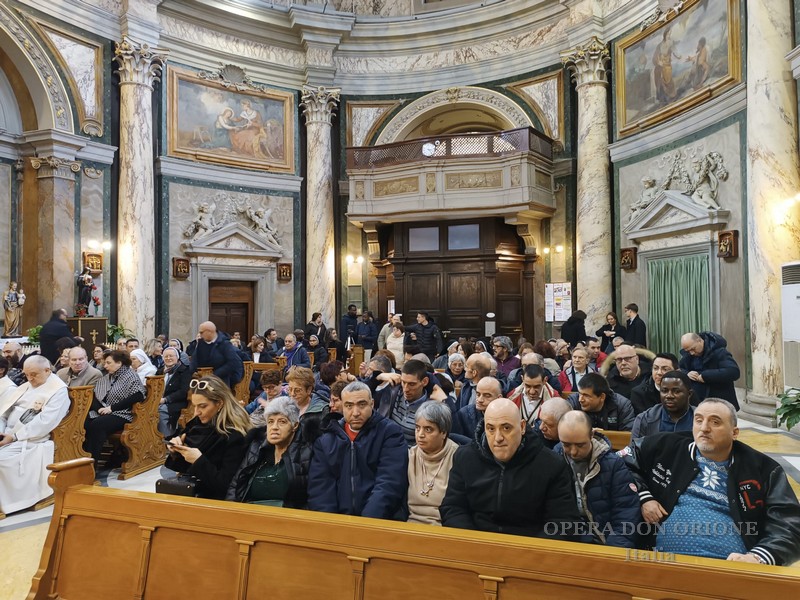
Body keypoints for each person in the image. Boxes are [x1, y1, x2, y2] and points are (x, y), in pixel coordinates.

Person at [623, 398, 800, 565]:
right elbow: (621, 462)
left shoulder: (763, 469)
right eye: (698, 420)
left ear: (734, 432)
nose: (704, 428)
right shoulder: (666, 446)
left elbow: (789, 524)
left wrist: (759, 557)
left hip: (731, 570)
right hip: (664, 564)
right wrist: (645, 497)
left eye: (715, 422)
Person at [440, 398, 584, 539]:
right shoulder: (465, 457)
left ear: (522, 427)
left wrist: (529, 553)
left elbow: (562, 522)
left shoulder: (552, 465)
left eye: (506, 428)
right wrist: (473, 542)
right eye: (490, 429)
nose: (498, 438)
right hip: (476, 546)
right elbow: (453, 508)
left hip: (531, 551)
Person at [308, 381, 408, 519]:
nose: (355, 413)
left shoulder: (390, 433)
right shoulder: (327, 440)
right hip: (337, 523)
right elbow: (321, 489)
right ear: (342, 406)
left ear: (372, 404)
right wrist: (331, 524)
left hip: (378, 520)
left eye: (362, 405)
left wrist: (366, 523)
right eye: (349, 406)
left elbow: (389, 482)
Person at [555, 410, 640, 548]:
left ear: (592, 435)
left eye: (580, 445)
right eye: (566, 444)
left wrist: (613, 553)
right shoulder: (555, 459)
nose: (573, 452)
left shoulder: (612, 465)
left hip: (605, 541)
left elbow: (626, 514)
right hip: (569, 540)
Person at [0, 356, 69, 514]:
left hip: (31, 440)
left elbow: (45, 422)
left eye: (34, 374)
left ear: (47, 370)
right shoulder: (25, 386)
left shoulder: (58, 391)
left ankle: (11, 502)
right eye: (27, 374)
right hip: (8, 435)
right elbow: (4, 412)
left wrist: (14, 436)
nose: (29, 378)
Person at [164, 375, 250, 499]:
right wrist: (176, 450)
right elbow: (182, 469)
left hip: (216, 501)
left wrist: (198, 460)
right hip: (192, 492)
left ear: (219, 403)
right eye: (195, 406)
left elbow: (227, 485)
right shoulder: (197, 424)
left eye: (202, 406)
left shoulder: (235, 435)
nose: (197, 412)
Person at [227, 397, 316, 507]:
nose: (274, 427)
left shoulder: (306, 452)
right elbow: (236, 485)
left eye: (282, 422)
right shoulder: (256, 447)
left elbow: (312, 497)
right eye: (270, 421)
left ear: (295, 425)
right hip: (249, 514)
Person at [83, 350, 146, 464]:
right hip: (103, 411)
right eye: (105, 363)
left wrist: (112, 408)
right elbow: (94, 396)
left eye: (108, 363)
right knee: (83, 422)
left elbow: (138, 395)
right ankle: (83, 460)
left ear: (119, 363)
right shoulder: (108, 377)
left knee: (98, 425)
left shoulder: (130, 375)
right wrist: (99, 409)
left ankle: (92, 464)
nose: (105, 366)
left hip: (123, 413)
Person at [408, 401, 460, 525]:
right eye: (417, 428)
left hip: (444, 529)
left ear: (443, 433)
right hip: (409, 526)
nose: (420, 435)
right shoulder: (410, 455)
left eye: (428, 429)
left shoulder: (458, 457)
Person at [378, 359, 435, 446]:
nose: (405, 389)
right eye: (403, 382)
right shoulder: (394, 392)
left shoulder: (431, 408)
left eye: (412, 384)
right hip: (386, 447)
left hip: (413, 454)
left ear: (424, 382)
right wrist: (379, 376)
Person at [679, 331, 741, 410]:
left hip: (719, 401)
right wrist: (687, 374)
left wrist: (706, 376)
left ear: (700, 341)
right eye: (688, 351)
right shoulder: (688, 355)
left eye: (693, 349)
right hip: (697, 403)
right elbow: (679, 369)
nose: (691, 353)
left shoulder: (719, 352)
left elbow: (733, 372)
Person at [631, 370, 696, 440]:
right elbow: (634, 449)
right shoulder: (645, 419)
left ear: (689, 394)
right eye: (664, 391)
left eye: (676, 391)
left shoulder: (701, 418)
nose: (669, 396)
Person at [568, 372, 635, 431]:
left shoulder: (622, 405)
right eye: (580, 393)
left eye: (586, 396)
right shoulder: (573, 402)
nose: (580, 399)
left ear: (602, 397)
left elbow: (628, 436)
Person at [189, 321, 244, 388]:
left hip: (220, 382)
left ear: (209, 332)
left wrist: (214, 374)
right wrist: (193, 371)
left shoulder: (224, 343)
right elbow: (194, 358)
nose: (200, 335)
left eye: (202, 332)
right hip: (202, 381)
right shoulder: (201, 343)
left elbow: (233, 362)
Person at [158, 346, 192, 438]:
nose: (168, 358)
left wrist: (165, 399)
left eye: (171, 356)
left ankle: (167, 437)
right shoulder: (160, 371)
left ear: (177, 358)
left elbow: (183, 391)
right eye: (166, 356)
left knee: (161, 410)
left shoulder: (185, 370)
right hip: (159, 401)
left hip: (177, 402)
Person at [285, 366, 328, 433]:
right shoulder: (283, 406)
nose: (292, 394)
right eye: (290, 389)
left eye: (297, 390)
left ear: (309, 390)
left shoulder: (322, 411)